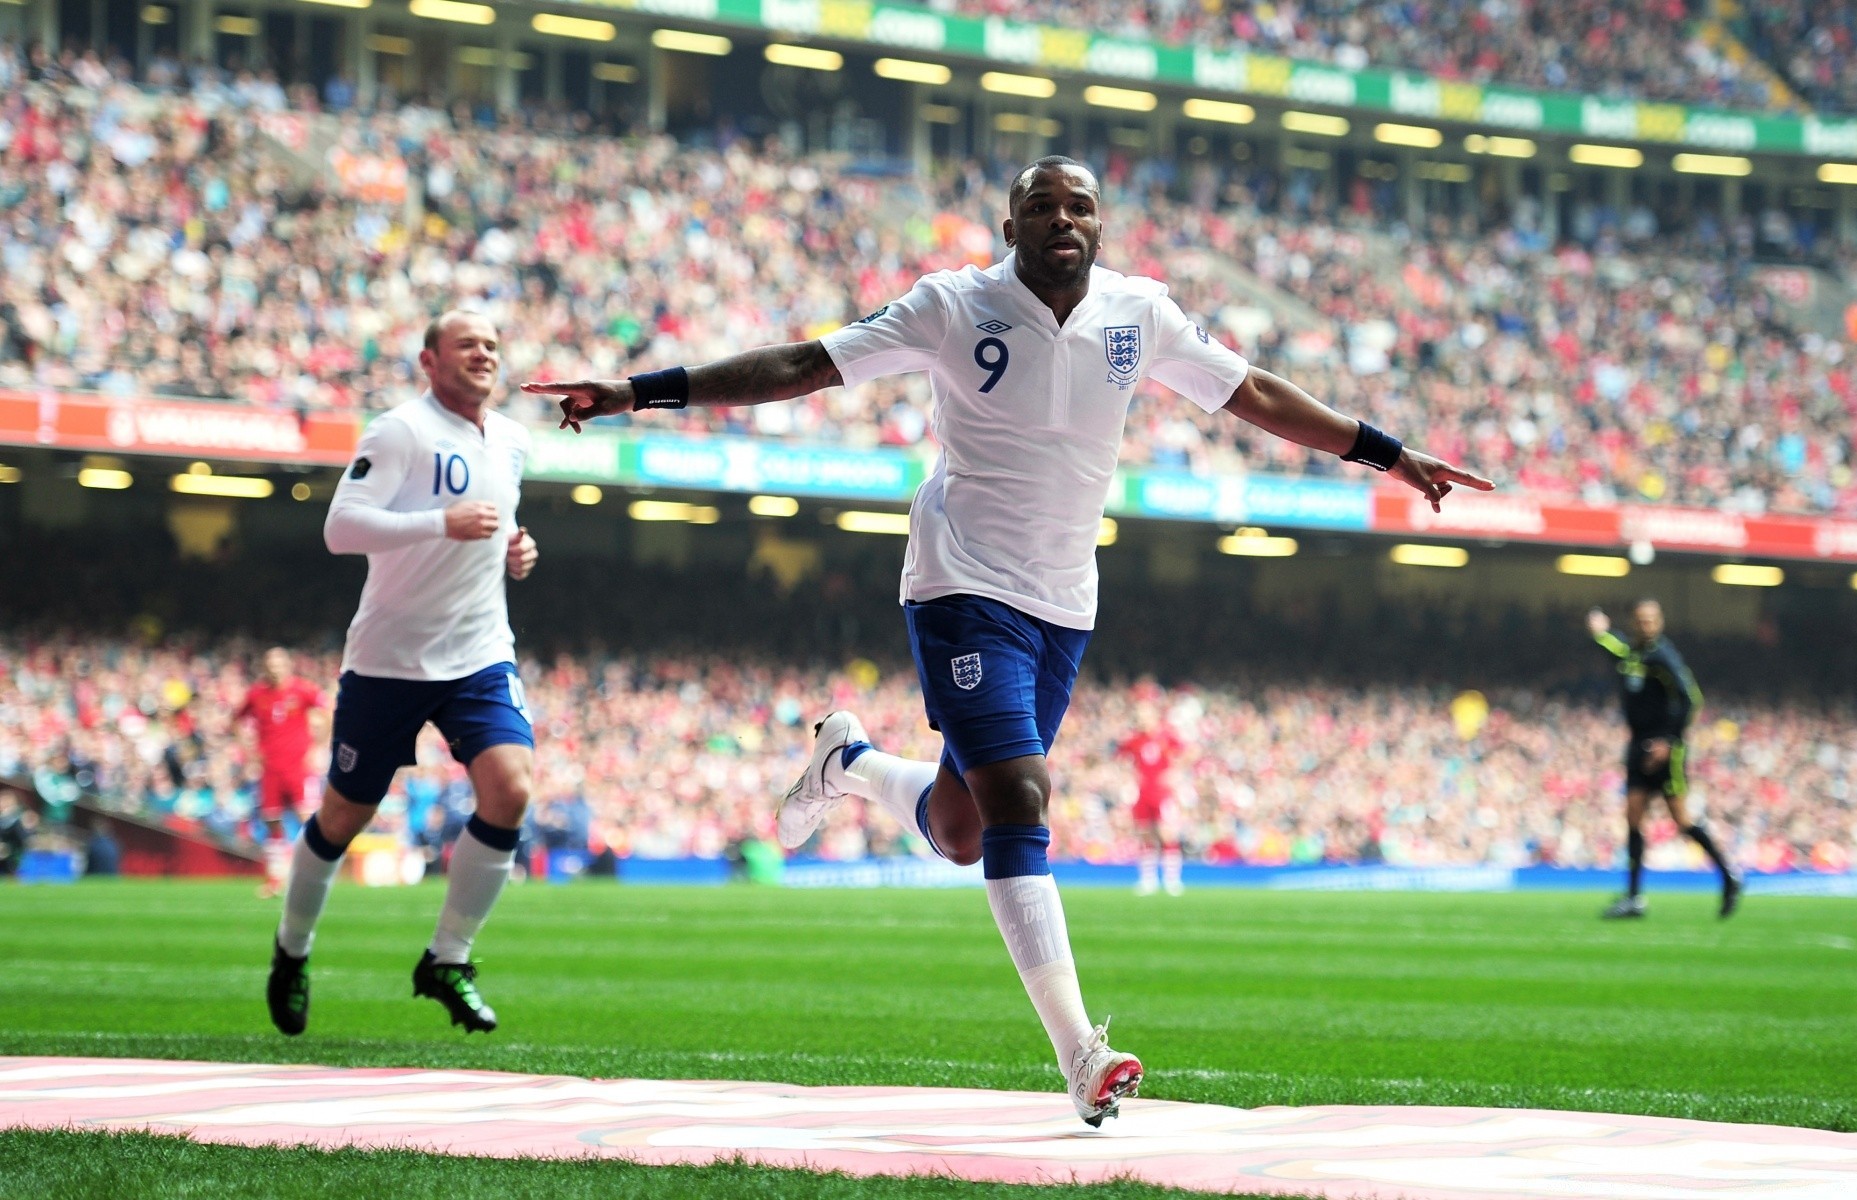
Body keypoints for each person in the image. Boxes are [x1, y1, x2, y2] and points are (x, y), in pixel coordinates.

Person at [526, 157, 1492, 1125]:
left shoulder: (1139, 313)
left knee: (962, 831)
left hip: (1065, 602)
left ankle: (851, 761)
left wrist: (1386, 450)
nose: (1062, 218)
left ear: (1101, 226)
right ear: (1010, 222)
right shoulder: (953, 304)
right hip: (960, 580)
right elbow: (804, 364)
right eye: (1043, 205)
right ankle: (1082, 1052)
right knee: (1021, 796)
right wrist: (636, 391)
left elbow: (1252, 392)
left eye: (1080, 206)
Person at [267, 310, 540, 1038]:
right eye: (466, 344)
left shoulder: (512, 439)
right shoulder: (400, 431)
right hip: (390, 659)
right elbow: (342, 527)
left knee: (512, 788)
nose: (483, 353)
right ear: (429, 361)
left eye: (491, 343)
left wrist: (515, 548)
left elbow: (497, 523)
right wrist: (439, 523)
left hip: (479, 651)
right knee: (343, 815)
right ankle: (292, 951)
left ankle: (448, 957)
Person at [1589, 601, 1741, 919]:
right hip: (1638, 745)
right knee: (1633, 816)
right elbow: (1616, 649)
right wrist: (1601, 633)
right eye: (1641, 620)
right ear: (1634, 622)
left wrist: (1669, 741)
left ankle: (1729, 877)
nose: (1646, 625)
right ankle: (1633, 897)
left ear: (1660, 622)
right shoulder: (1633, 654)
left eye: (1651, 620)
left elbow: (1691, 698)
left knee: (1682, 821)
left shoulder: (1663, 656)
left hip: (1665, 748)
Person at [236, 646, 327, 897]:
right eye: (270, 664)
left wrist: (318, 747)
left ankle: (315, 875)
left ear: (287, 665)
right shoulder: (257, 694)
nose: (275, 669)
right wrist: (249, 752)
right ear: (265, 667)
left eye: (279, 664)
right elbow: (238, 719)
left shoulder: (302, 689)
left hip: (298, 766)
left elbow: (326, 709)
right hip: (270, 768)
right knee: (273, 823)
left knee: (307, 818)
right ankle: (274, 880)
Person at [1120, 700, 1187, 896]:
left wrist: (1176, 773)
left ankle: (1172, 880)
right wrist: (1129, 776)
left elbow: (1186, 752)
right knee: (1145, 834)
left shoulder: (1166, 736)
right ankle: (1148, 880)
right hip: (1143, 793)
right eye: (1140, 716)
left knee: (1168, 834)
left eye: (1145, 715)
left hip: (1162, 793)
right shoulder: (1135, 739)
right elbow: (1121, 756)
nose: (1142, 719)